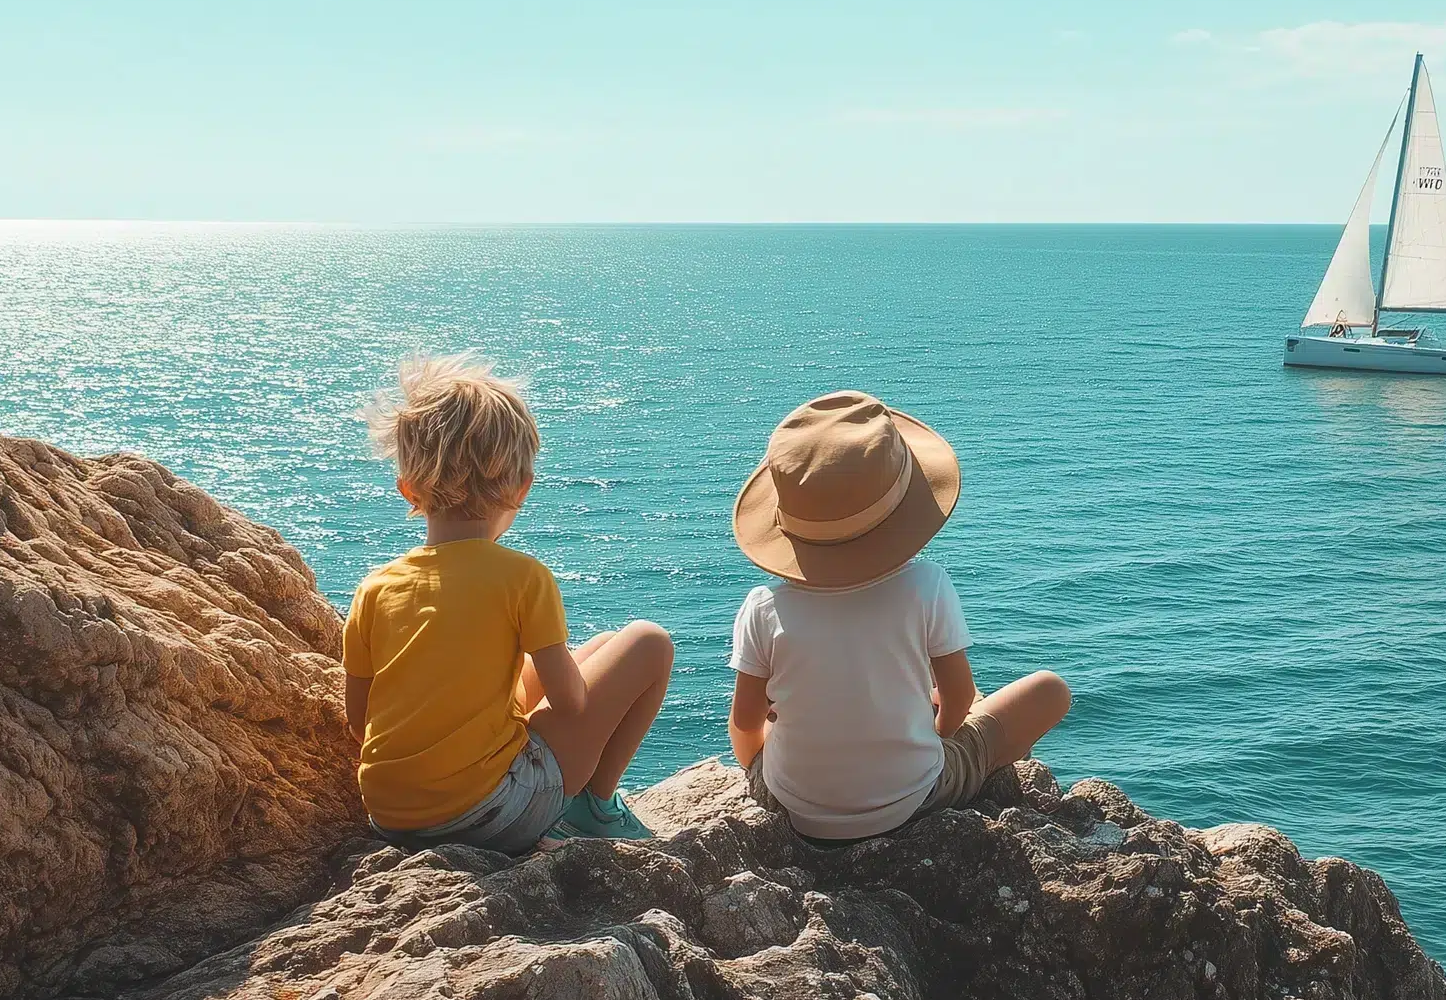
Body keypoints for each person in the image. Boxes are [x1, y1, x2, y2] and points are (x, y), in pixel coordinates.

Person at [344, 353, 675, 854]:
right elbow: (571, 704)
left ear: (408, 489)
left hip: (390, 816)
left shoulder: (376, 588)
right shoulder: (523, 578)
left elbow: (359, 719)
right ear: (522, 488)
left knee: (602, 645)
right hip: (491, 816)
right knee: (646, 642)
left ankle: (575, 798)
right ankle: (594, 806)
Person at [725, 391, 1071, 842]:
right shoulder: (926, 584)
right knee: (1049, 690)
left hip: (797, 810)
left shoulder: (764, 606)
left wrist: (762, 775)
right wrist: (942, 738)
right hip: (912, 800)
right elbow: (959, 697)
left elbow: (746, 723)